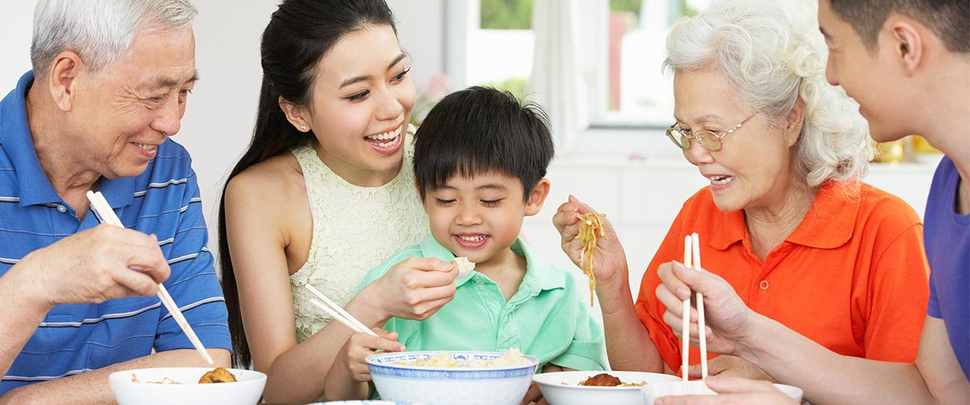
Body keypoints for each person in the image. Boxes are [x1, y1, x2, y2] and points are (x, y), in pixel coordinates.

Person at [553, 0, 931, 384]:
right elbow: (651, 378)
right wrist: (613, 283)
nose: (697, 155)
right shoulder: (699, 216)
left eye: (713, 132)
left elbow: (912, 394)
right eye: (686, 132)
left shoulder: (885, 232)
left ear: (789, 120)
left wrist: (780, 389)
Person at [652, 0, 969, 404]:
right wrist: (747, 333)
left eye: (834, 47)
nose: (829, 76)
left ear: (904, 46)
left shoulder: (892, 225)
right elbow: (937, 394)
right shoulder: (948, 187)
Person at [219, 0, 457, 402]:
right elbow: (276, 390)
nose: (392, 108)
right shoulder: (260, 195)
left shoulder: (441, 161)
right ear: (298, 113)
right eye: (358, 94)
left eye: (398, 75)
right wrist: (374, 302)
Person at [0, 1, 232, 404]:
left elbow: (206, 361)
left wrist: (28, 401)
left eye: (184, 92)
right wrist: (38, 281)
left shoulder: (167, 171)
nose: (172, 122)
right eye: (154, 96)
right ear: (67, 79)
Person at [320, 86, 607, 402]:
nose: (467, 217)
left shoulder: (559, 292)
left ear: (533, 197)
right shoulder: (401, 283)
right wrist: (347, 369)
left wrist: (554, 379)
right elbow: (343, 395)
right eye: (446, 199)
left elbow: (592, 382)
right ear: (423, 196)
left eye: (490, 200)